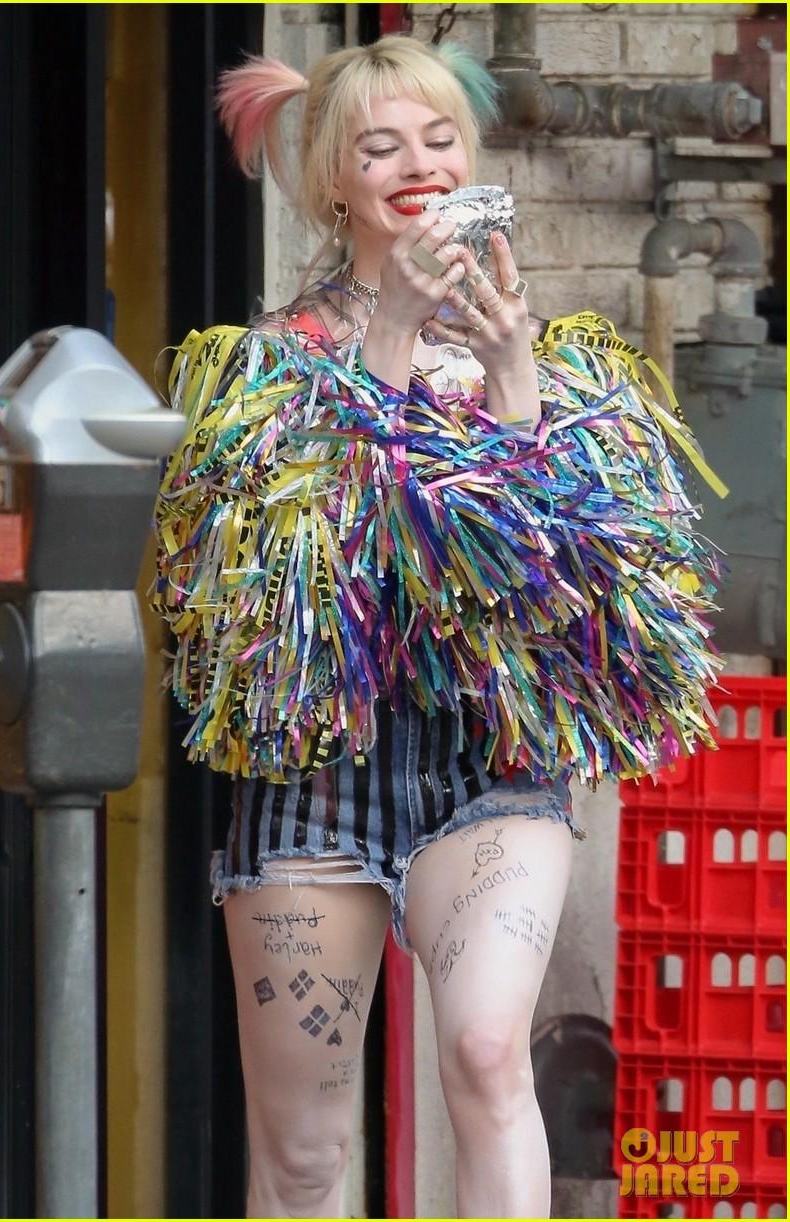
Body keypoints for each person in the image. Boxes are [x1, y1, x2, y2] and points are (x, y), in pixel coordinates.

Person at [154, 35, 722, 1220]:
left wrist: (512, 381)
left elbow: (569, 599)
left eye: (438, 138)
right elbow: (284, 601)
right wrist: (384, 350)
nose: (417, 164)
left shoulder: (553, 362)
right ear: (335, 180)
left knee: (484, 1053)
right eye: (380, 146)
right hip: (320, 776)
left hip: (490, 768)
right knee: (303, 1156)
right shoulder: (270, 366)